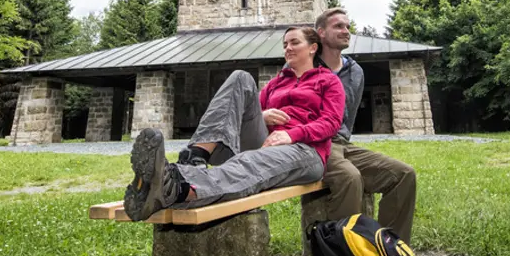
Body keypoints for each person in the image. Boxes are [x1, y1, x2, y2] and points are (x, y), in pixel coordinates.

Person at [124, 26, 346, 222]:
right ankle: (195, 157)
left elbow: (332, 122)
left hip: (306, 152)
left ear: (313, 48)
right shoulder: (275, 84)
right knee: (240, 77)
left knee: (251, 161)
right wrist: (262, 114)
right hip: (264, 142)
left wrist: (293, 134)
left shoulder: (328, 80)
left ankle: (179, 188)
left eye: (295, 42)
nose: (288, 47)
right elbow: (241, 110)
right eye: (285, 44)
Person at [315, 7, 418, 243]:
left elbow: (348, 118)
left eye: (347, 26)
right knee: (350, 177)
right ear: (321, 32)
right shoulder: (305, 67)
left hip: (342, 143)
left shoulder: (356, 72)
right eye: (338, 26)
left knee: (403, 174)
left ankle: (391, 250)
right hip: (316, 143)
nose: (346, 31)